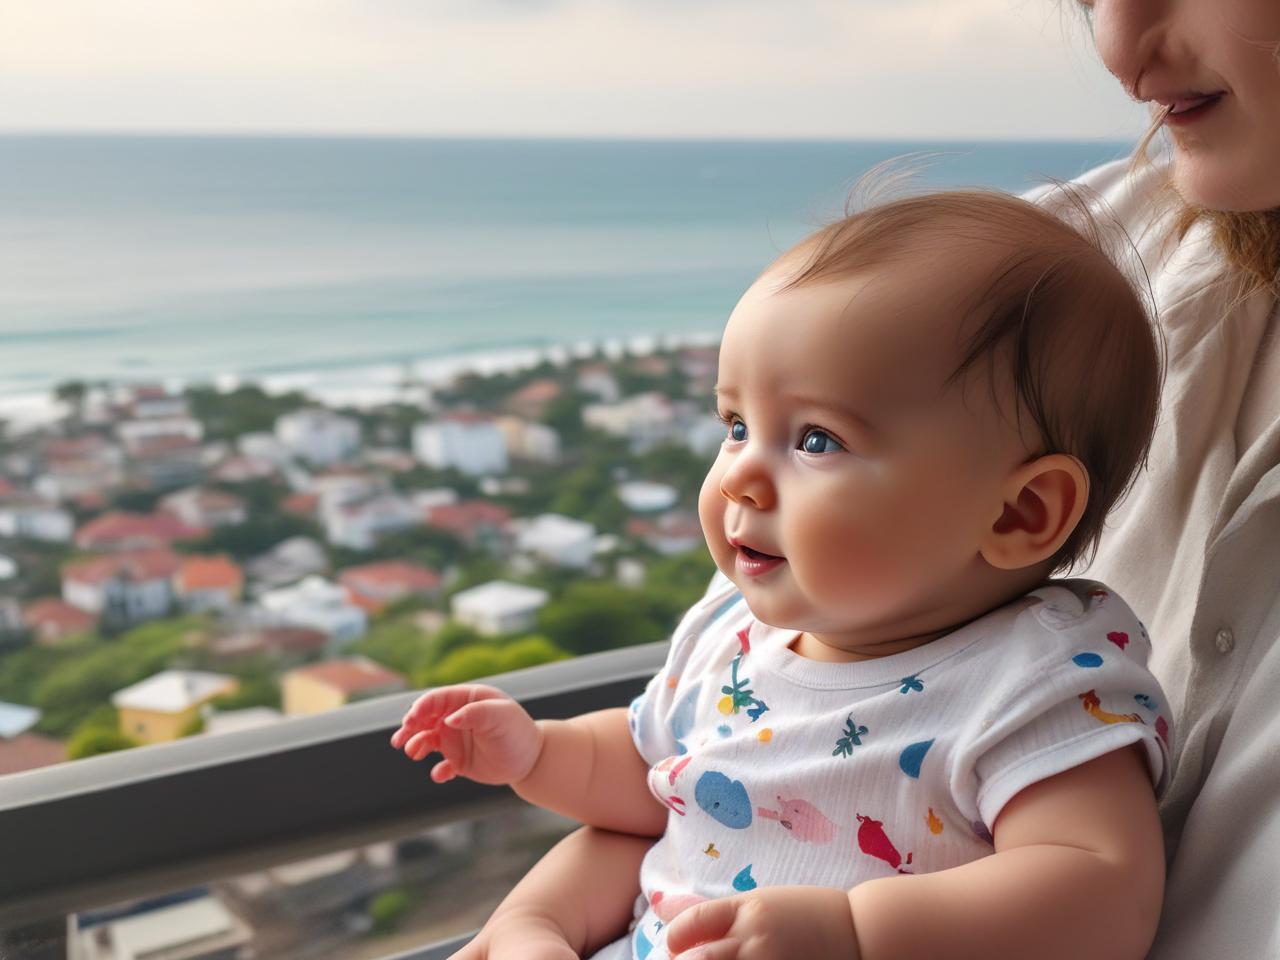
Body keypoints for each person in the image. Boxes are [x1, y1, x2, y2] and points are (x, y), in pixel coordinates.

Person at [391, 188, 1177, 959]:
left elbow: (1102, 892)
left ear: (1020, 514)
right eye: (736, 426)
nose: (739, 477)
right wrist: (535, 751)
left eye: (815, 440)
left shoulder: (1038, 685)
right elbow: (647, 774)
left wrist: (857, 933)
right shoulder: (733, 636)